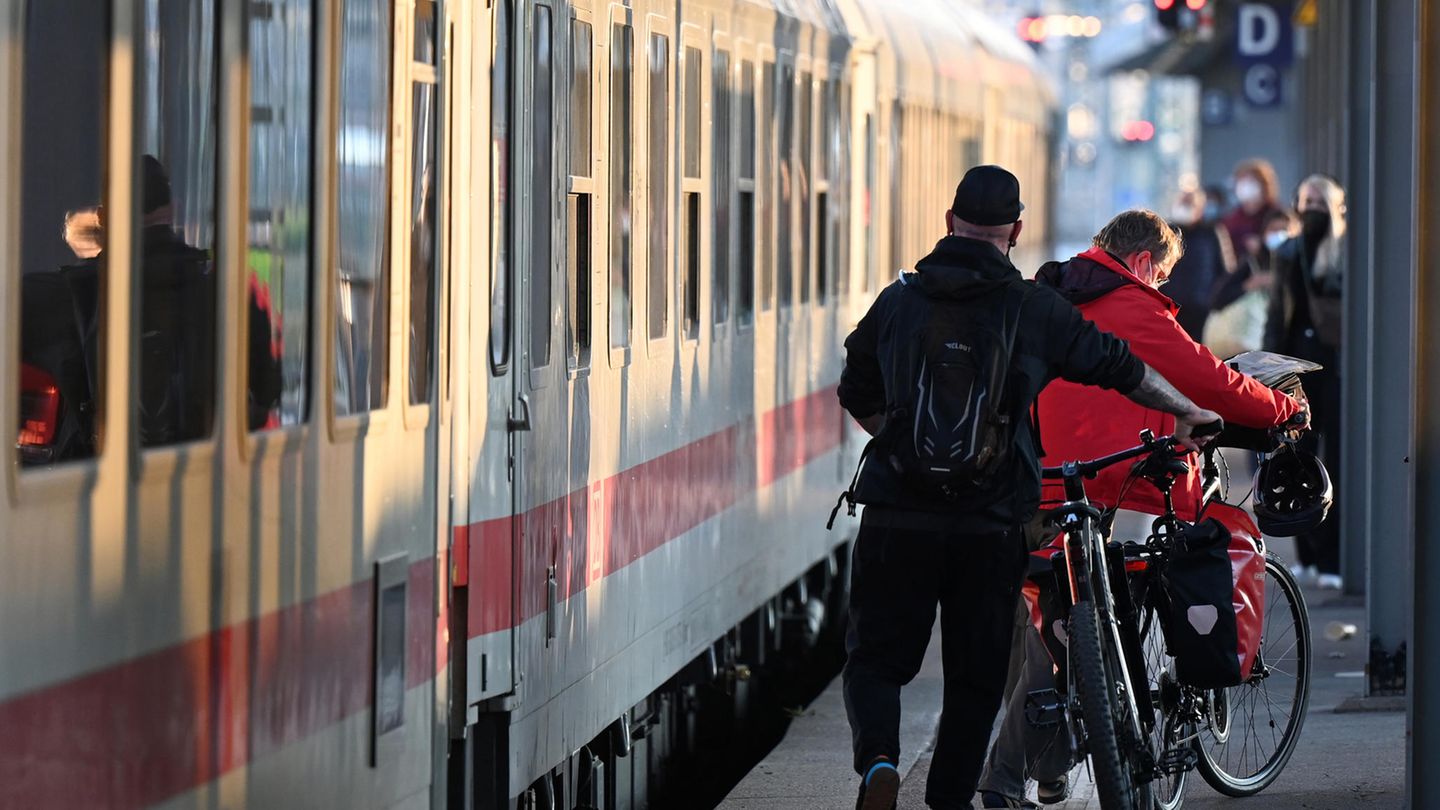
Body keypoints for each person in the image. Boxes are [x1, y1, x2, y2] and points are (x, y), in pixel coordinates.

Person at [836, 167, 1222, 810]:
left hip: (898, 516)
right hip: (989, 523)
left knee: (874, 659)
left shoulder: (898, 302)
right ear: (1015, 230)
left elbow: (857, 390)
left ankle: (879, 760)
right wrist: (1186, 413)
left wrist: (903, 443)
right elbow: (1119, 367)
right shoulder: (1030, 307)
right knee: (976, 677)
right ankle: (948, 799)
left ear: (948, 221)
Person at [973, 210, 1305, 809]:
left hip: (1036, 484)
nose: (1162, 288)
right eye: (1163, 276)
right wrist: (1281, 410)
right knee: (1090, 623)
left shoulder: (1050, 294)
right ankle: (1006, 777)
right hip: (1119, 491)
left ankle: (1049, 766)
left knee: (1044, 632)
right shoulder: (1134, 307)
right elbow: (1210, 381)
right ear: (1146, 263)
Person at [1265, 174, 1347, 589]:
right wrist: (1267, 368)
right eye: (1306, 200)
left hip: (1336, 365)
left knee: (1339, 459)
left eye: (1320, 201)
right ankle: (1310, 553)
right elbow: (1278, 313)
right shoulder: (1289, 253)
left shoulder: (1346, 253)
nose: (1312, 208)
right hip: (1298, 366)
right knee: (1300, 454)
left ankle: (1334, 557)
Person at [1166, 186, 1237, 340]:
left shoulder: (1212, 233)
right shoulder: (1164, 232)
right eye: (1182, 203)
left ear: (1200, 208)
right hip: (1166, 309)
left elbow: (1226, 272)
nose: (1185, 208)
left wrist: (1214, 300)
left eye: (1190, 204)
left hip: (1201, 312)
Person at [1221, 159, 1284, 265]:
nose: (1246, 186)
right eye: (1242, 181)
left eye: (1251, 181)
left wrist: (1262, 247)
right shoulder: (1231, 219)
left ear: (1264, 185)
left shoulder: (1277, 215)